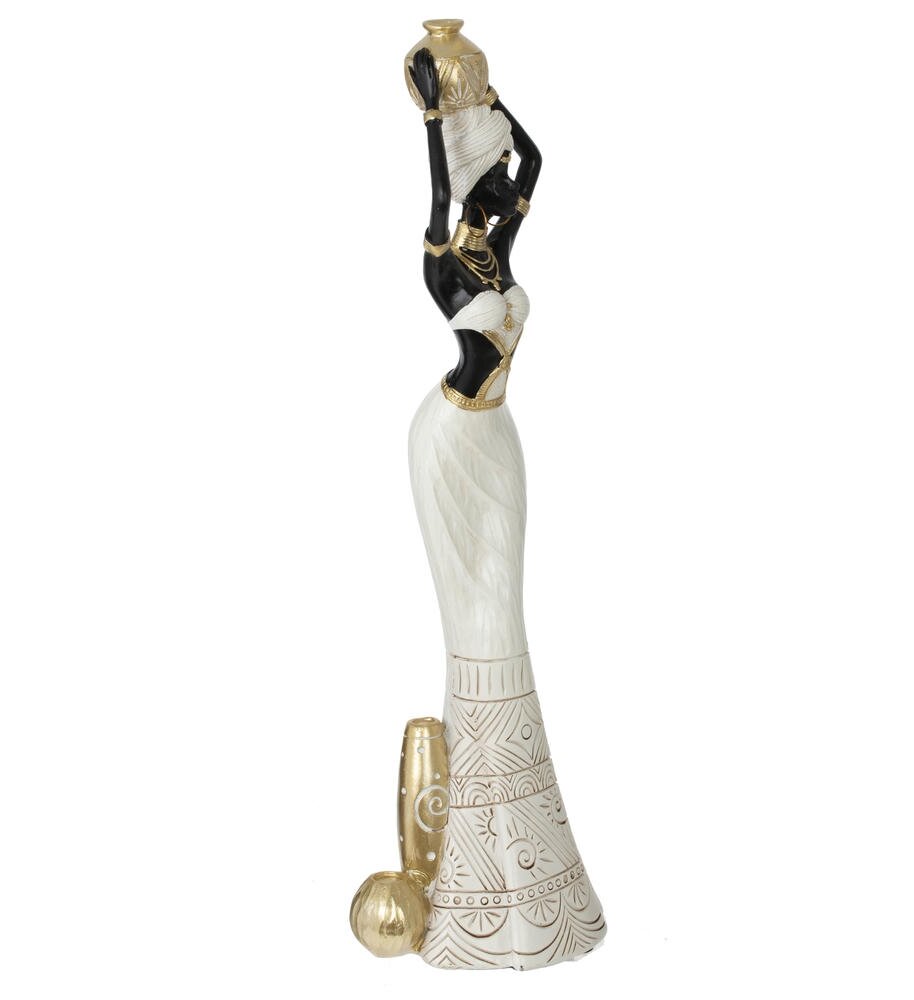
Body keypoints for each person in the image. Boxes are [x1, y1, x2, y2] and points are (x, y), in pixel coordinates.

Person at [403, 47, 607, 971]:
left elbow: (538, 160)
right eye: (486, 179)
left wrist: (490, 99)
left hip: (498, 436)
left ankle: (524, 863)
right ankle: (480, 873)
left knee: (507, 615)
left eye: (495, 181)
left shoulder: (500, 246)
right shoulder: (447, 255)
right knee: (480, 624)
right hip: (449, 439)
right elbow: (441, 188)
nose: (500, 188)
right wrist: (436, 117)